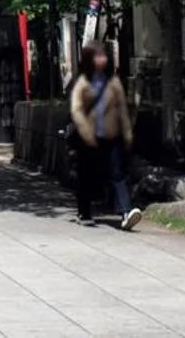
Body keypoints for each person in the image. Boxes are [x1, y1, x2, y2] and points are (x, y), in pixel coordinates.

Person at [68, 43, 142, 230]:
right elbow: (76, 110)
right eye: (97, 56)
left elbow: (122, 109)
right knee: (87, 175)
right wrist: (85, 131)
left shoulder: (114, 82)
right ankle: (84, 212)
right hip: (89, 139)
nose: (102, 60)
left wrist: (127, 133)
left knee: (118, 174)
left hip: (111, 136)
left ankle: (126, 212)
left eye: (103, 56)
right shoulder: (83, 82)